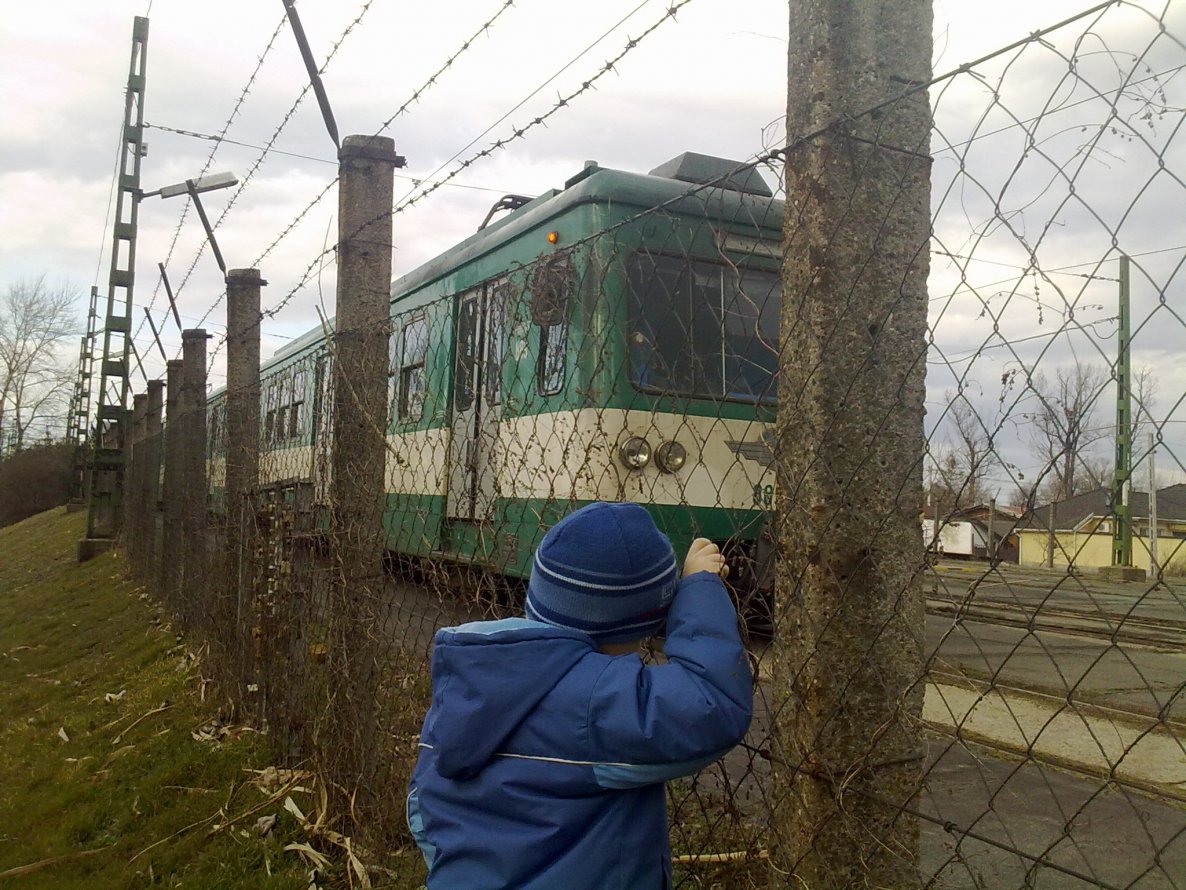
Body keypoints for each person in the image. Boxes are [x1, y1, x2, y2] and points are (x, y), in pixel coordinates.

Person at [407, 501, 753, 889]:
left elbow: (423, 803)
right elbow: (712, 704)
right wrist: (699, 589)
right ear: (644, 622)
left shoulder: (470, 674)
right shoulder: (593, 701)